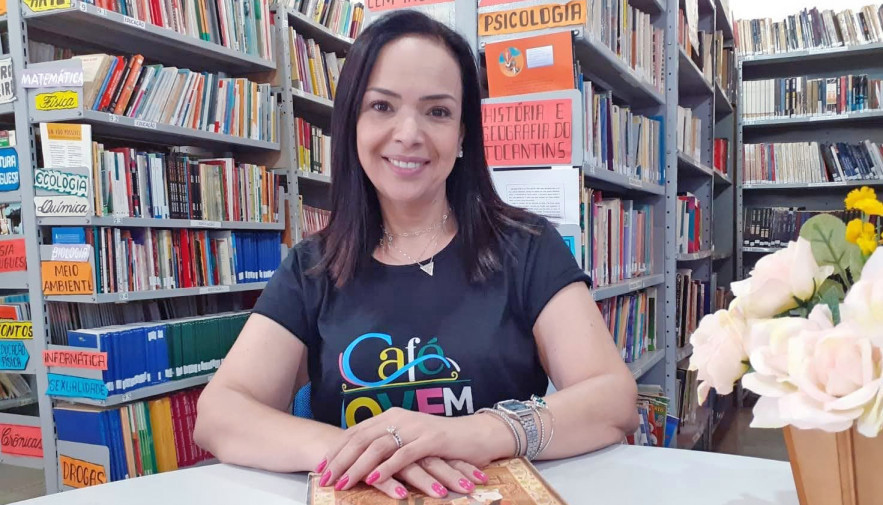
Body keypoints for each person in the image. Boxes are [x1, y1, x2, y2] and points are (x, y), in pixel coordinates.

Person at [194, 10, 638, 501]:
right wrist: (370, 451)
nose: (408, 133)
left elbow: (613, 398)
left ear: (463, 133)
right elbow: (219, 414)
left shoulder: (526, 246)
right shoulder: (311, 267)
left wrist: (474, 434)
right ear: (352, 123)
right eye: (382, 106)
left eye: (437, 112)